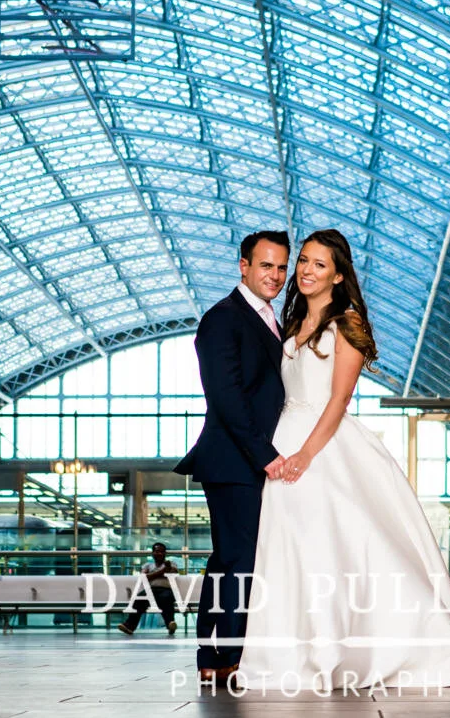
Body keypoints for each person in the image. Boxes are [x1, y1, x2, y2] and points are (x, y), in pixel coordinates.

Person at [239, 229, 450, 693]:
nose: (306, 270)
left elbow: (338, 400)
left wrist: (305, 455)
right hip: (286, 439)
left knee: (347, 546)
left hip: (322, 445)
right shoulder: (290, 324)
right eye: (304, 261)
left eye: (320, 264)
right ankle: (303, 653)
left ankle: (386, 646)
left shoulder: (348, 322)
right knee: (294, 549)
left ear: (338, 275)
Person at [174, 229, 290, 684]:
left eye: (281, 267)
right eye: (266, 265)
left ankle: (217, 651)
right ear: (243, 265)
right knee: (238, 560)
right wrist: (265, 455)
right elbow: (225, 395)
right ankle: (226, 655)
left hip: (249, 459)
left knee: (230, 559)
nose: (276, 276)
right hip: (233, 460)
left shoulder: (267, 318)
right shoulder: (223, 318)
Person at [119, 541, 179, 637]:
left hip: (166, 590)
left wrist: (153, 574)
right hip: (150, 590)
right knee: (138, 599)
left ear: (165, 553)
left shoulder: (172, 564)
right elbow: (144, 577)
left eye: (161, 551)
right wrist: (163, 571)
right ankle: (129, 626)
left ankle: (170, 624)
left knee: (166, 598)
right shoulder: (147, 565)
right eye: (156, 551)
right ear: (152, 553)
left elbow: (173, 573)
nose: (158, 553)